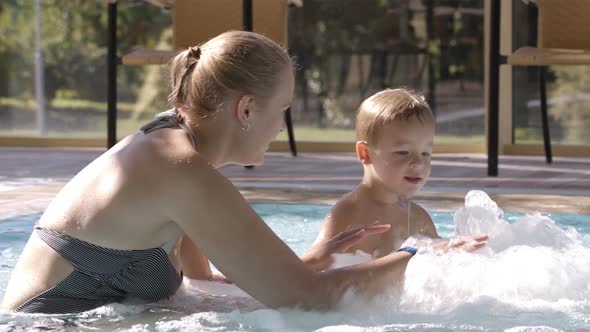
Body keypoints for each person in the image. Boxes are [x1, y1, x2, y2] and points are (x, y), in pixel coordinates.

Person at [1, 31, 416, 314]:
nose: (280, 127)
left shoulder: (173, 144)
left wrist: (306, 262)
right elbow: (306, 300)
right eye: (282, 111)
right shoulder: (181, 171)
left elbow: (206, 281)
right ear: (248, 109)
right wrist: (419, 258)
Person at [310, 89, 487, 258]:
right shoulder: (346, 214)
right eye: (403, 152)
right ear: (365, 153)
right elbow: (310, 271)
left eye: (426, 153)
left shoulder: (418, 218)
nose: (418, 163)